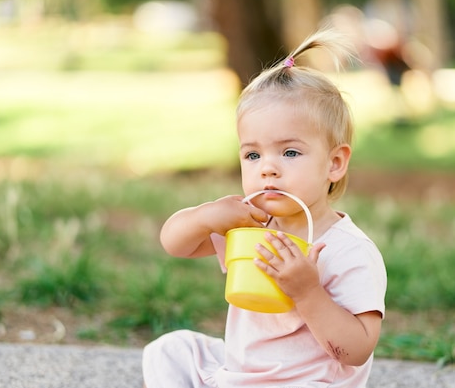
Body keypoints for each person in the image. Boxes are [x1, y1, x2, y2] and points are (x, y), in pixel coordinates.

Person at [142, 28, 388, 388]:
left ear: (334, 163)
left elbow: (356, 350)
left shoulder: (349, 251)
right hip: (244, 374)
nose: (267, 167)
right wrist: (205, 216)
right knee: (170, 350)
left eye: (290, 152)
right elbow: (174, 243)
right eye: (252, 154)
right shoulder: (251, 225)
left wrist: (308, 292)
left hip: (306, 382)